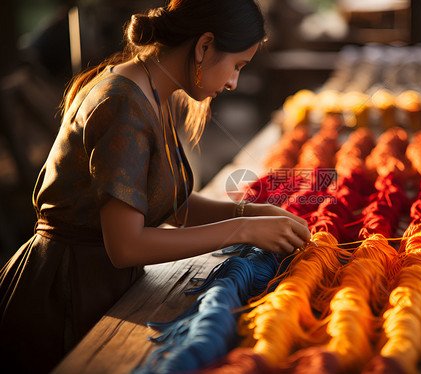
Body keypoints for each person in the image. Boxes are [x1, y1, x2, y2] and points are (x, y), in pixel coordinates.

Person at [0, 0, 311, 372]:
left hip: (101, 283)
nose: (233, 82)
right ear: (204, 46)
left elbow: (167, 205)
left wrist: (250, 211)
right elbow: (126, 245)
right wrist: (242, 228)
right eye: (237, 66)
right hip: (65, 295)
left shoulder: (150, 91)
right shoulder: (123, 103)